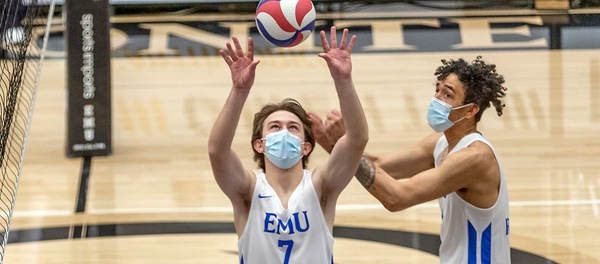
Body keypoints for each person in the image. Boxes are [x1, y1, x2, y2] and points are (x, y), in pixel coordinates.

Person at [310, 56, 510, 263]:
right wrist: (335, 145)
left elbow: (397, 197)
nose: (436, 99)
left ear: (470, 110)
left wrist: (349, 142)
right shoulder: (440, 144)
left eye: (447, 94)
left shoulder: (475, 158)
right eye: (437, 90)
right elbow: (379, 167)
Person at [208, 26, 368, 264]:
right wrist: (240, 90)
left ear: (306, 147)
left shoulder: (320, 186)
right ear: (259, 145)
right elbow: (217, 150)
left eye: (293, 128)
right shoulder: (248, 191)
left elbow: (357, 139)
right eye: (274, 127)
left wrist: (343, 80)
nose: (284, 132)